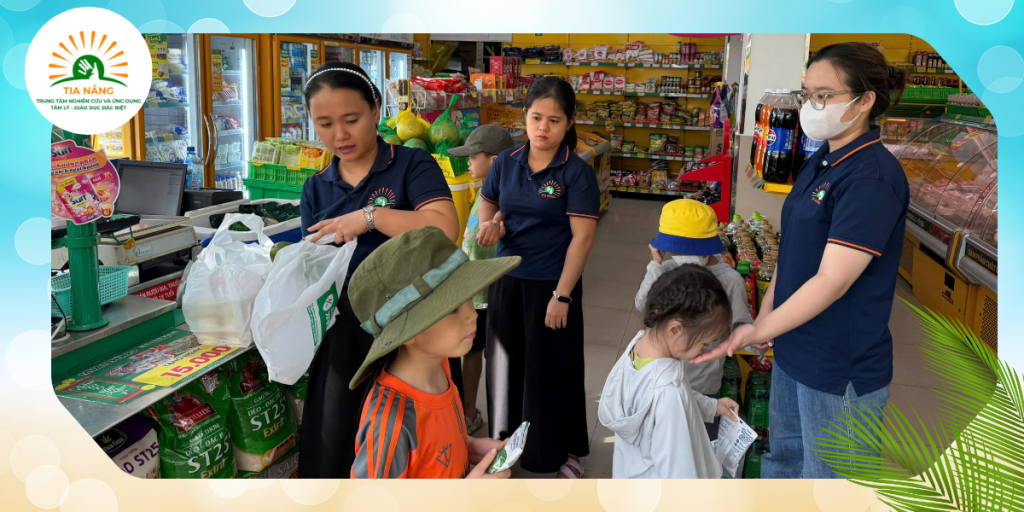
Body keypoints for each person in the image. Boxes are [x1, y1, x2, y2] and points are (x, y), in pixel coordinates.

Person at [692, 42, 910, 479]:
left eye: (824, 96)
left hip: (837, 367)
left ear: (865, 100)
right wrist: (766, 321)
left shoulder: (872, 176)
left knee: (829, 480)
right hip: (794, 349)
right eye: (807, 94)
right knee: (785, 461)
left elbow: (831, 279)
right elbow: (793, 254)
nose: (811, 106)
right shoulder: (822, 161)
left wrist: (761, 328)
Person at [297, 62, 460, 478]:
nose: (340, 135)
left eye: (351, 120)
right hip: (346, 331)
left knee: (412, 434)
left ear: (375, 109)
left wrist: (371, 217)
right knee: (337, 436)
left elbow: (444, 226)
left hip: (412, 325)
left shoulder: (410, 165)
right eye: (325, 124)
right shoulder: (317, 187)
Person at [476, 76, 600, 478]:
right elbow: (488, 198)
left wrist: (562, 296)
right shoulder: (507, 162)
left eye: (554, 120)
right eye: (535, 118)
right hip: (507, 279)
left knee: (549, 368)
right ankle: (503, 442)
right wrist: (490, 225)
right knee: (504, 365)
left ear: (568, 123)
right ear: (524, 118)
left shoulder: (576, 173)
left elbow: (581, 239)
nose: (543, 128)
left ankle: (557, 450)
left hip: (551, 283)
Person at [346, 226, 521, 479]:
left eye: (469, 298)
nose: (472, 315)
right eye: (451, 309)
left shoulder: (439, 366)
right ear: (409, 332)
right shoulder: (390, 423)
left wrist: (469, 446)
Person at [599, 265, 740, 479]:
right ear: (675, 330)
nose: (705, 349)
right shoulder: (668, 392)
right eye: (704, 342)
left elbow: (666, 405)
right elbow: (679, 471)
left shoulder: (638, 348)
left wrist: (712, 406)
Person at [634, 199, 753, 440]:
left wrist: (754, 338)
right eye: (676, 249)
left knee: (700, 443)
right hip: (661, 378)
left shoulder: (730, 280)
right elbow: (643, 306)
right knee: (662, 438)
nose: (682, 255)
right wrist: (655, 265)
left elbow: (741, 326)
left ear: (711, 247)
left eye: (691, 249)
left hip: (702, 382)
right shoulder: (666, 270)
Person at [443, 124, 516, 435]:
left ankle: (485, 415)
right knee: (470, 352)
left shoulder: (503, 199)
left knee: (491, 355)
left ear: (497, 160)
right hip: (474, 291)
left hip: (491, 293)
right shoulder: (483, 192)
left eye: (474, 156)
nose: (468, 162)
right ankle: (469, 410)